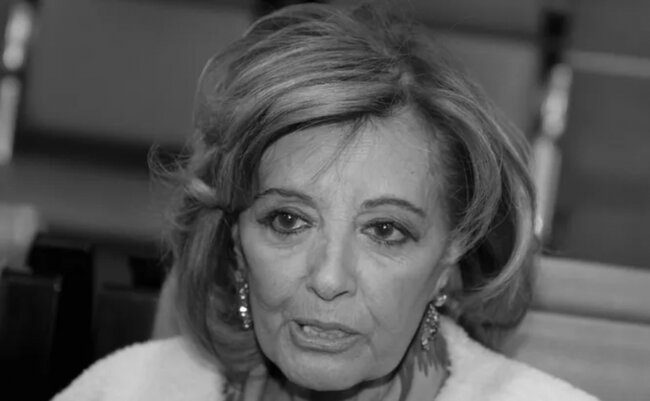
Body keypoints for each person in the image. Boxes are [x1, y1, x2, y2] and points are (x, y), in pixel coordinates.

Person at [53, 3, 598, 400]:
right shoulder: (126, 389)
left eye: (385, 230)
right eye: (288, 220)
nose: (330, 278)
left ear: (448, 256)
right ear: (236, 240)